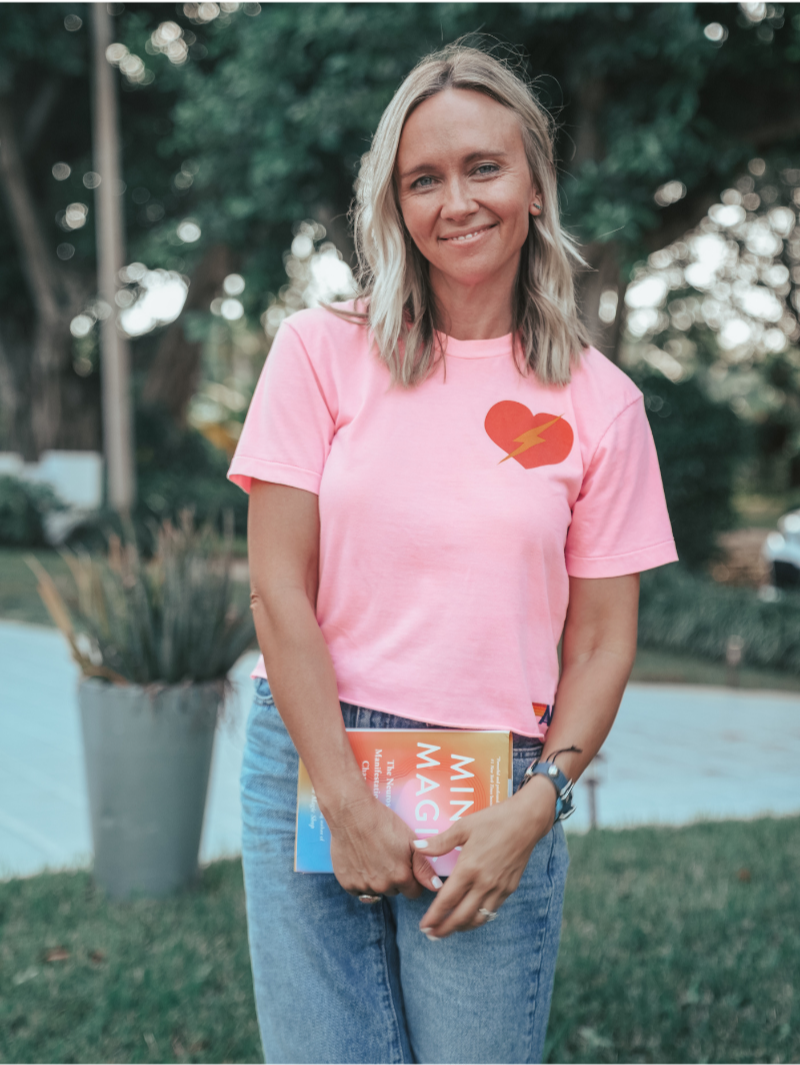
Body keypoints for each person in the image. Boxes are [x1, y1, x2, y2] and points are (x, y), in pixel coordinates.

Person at [228, 42, 677, 1065]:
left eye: (483, 168)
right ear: (394, 203)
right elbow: (277, 592)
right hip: (311, 750)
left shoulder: (602, 404)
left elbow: (601, 643)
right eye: (422, 179)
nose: (456, 202)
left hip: (494, 782)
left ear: (533, 183)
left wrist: (537, 805)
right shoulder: (320, 351)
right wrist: (343, 797)